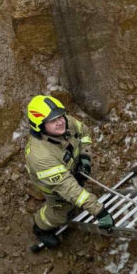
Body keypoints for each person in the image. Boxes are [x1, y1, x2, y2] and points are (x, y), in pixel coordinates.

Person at [24, 95, 114, 248]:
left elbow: (85, 133)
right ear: (39, 125)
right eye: (53, 121)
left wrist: (85, 157)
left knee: (76, 195)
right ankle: (40, 227)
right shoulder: (40, 156)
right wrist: (99, 212)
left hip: (69, 170)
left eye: (60, 116)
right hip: (56, 187)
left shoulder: (66, 124)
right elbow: (68, 188)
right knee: (60, 213)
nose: (60, 122)